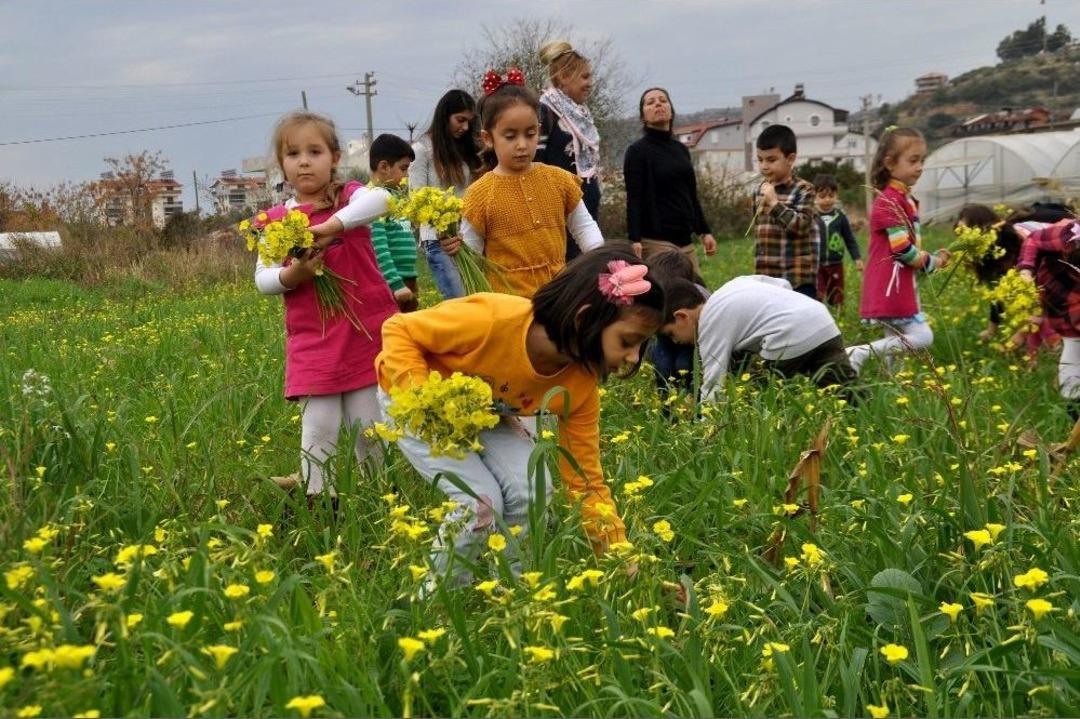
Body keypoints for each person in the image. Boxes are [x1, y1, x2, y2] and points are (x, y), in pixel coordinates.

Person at [375, 245, 665, 579]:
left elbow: (585, 482)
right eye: (628, 341)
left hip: (487, 411)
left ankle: (513, 592)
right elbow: (399, 329)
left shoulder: (580, 388)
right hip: (418, 402)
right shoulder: (493, 319)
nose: (633, 357)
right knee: (479, 503)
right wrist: (424, 398)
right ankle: (439, 602)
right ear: (584, 318)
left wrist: (619, 558)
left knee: (533, 489)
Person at [254, 111, 399, 500]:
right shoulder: (277, 221)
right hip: (314, 339)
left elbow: (384, 199)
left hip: (363, 330)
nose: (304, 161)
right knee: (319, 428)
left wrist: (331, 226)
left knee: (369, 427)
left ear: (334, 157)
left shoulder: (350, 198)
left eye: (315, 151)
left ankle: (380, 500)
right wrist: (293, 276)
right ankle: (319, 503)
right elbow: (263, 277)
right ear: (281, 164)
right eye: (294, 153)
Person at [444, 70, 603, 297]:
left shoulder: (558, 180)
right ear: (488, 138)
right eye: (510, 136)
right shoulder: (479, 195)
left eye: (530, 134)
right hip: (509, 304)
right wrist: (458, 251)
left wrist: (603, 261)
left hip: (558, 296)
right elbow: (472, 255)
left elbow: (584, 227)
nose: (522, 145)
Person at [847, 127, 951, 374]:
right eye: (913, 160)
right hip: (891, 285)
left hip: (894, 283)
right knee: (922, 336)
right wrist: (935, 262)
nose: (920, 167)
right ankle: (860, 352)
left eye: (922, 160)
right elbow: (904, 250)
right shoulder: (890, 201)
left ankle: (893, 385)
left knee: (894, 341)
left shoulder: (900, 198)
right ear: (890, 164)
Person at [660, 275, 857, 403]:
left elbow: (714, 380)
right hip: (821, 319)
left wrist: (705, 426)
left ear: (682, 317)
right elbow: (782, 284)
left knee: (757, 398)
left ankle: (768, 437)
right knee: (846, 391)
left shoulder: (709, 323)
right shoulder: (732, 286)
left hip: (787, 336)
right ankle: (870, 421)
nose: (675, 341)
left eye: (671, 334)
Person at [623, 87, 716, 271]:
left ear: (671, 110)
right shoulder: (637, 152)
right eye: (650, 102)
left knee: (696, 294)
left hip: (685, 242)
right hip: (656, 242)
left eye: (663, 100)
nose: (658, 104)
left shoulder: (681, 150)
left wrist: (704, 232)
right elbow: (634, 198)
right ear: (643, 117)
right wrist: (634, 238)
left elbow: (690, 194)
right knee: (670, 296)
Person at [410, 89, 483, 300]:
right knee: (459, 303)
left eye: (469, 122)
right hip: (438, 239)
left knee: (476, 299)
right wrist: (442, 223)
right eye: (460, 120)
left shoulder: (466, 150)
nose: (465, 127)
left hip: (468, 236)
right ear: (445, 116)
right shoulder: (422, 150)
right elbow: (417, 199)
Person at [536, 40, 602, 262]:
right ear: (564, 77)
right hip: (560, 213)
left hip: (585, 211)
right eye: (585, 77)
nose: (590, 83)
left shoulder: (579, 113)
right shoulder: (545, 111)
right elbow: (536, 162)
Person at [1017, 220, 1080, 420]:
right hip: (1060, 295)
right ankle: (1073, 416)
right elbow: (1034, 239)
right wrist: (1026, 269)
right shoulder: (1068, 234)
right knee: (1072, 355)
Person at [752, 125, 819, 298]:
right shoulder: (759, 190)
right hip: (767, 279)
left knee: (801, 323)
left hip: (796, 279)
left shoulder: (804, 189)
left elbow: (801, 226)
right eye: (760, 160)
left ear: (790, 159)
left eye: (771, 160)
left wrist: (775, 204)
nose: (764, 166)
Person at [643, 250, 708, 407]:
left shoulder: (699, 295)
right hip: (666, 333)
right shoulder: (653, 295)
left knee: (684, 364)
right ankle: (667, 405)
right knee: (662, 363)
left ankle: (693, 400)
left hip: (690, 336)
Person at [368, 134, 419, 312]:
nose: (406, 175)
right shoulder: (374, 200)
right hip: (393, 282)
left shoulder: (394, 197)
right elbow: (378, 246)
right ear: (384, 167)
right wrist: (395, 283)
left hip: (408, 276)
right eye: (403, 169)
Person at [813, 174, 862, 306]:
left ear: (836, 195)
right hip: (816, 265)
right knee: (817, 295)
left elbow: (849, 239)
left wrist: (856, 258)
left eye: (831, 196)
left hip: (836, 264)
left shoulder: (840, 217)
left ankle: (838, 316)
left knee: (837, 296)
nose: (827, 200)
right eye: (822, 196)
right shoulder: (810, 217)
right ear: (814, 197)